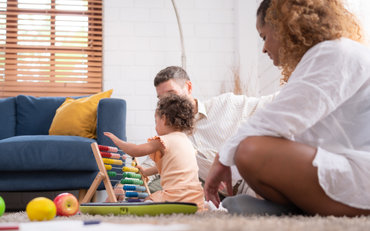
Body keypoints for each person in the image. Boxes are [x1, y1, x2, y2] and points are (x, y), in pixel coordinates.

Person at [204, 0, 370, 217]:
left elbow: (273, 121)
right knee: (255, 152)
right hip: (355, 170)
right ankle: (287, 210)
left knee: (249, 151)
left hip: (362, 176)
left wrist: (222, 159)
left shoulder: (333, 52)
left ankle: (291, 211)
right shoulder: (331, 55)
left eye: (264, 37)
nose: (263, 48)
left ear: (285, 26)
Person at [149, 66, 277, 197]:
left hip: (255, 179)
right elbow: (151, 162)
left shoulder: (227, 104)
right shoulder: (171, 135)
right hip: (224, 196)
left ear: (188, 87)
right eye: (161, 99)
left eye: (171, 94)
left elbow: (272, 102)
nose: (167, 102)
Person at [104, 93, 206, 211]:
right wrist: (146, 172)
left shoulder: (162, 141)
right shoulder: (187, 142)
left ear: (164, 118)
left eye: (156, 121)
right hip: (195, 198)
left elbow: (136, 151)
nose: (155, 127)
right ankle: (206, 206)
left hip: (174, 197)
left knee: (148, 200)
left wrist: (118, 141)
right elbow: (171, 166)